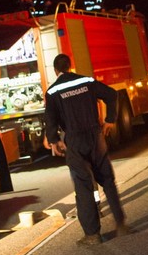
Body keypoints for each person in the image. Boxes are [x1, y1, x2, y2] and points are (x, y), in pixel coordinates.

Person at [45, 53, 130, 245]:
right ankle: (121, 224)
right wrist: (110, 120)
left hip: (75, 141)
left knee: (83, 186)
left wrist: (54, 140)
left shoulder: (52, 92)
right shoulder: (87, 81)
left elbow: (50, 119)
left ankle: (92, 235)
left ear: (56, 70)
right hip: (95, 136)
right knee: (107, 180)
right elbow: (112, 94)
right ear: (70, 66)